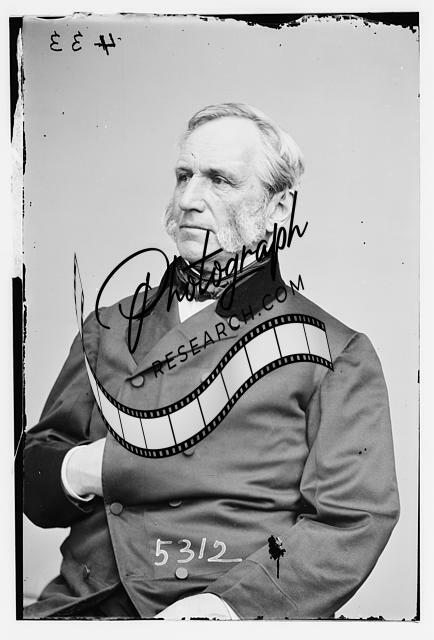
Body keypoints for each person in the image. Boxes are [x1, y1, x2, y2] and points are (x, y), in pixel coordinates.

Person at [23, 103, 400, 620]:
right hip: (82, 607)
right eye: (184, 176)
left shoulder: (336, 352)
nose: (188, 199)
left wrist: (225, 608)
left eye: (219, 181)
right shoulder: (105, 326)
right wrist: (82, 470)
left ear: (278, 207)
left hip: (226, 611)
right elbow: (33, 483)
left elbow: (353, 521)